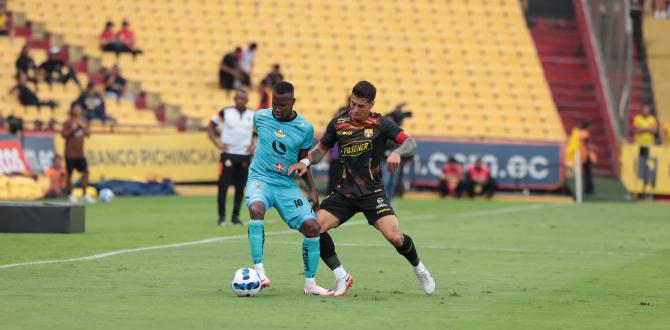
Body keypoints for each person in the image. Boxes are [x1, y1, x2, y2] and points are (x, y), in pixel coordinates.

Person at [289, 81, 435, 296]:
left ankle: (420, 270)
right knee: (313, 228)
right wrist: (306, 162)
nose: (355, 109)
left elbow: (410, 142)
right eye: (353, 103)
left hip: (372, 193)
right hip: (344, 194)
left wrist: (397, 152)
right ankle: (341, 276)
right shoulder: (338, 123)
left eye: (360, 106)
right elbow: (321, 149)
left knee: (395, 237)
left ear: (371, 105)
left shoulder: (381, 124)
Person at [244, 81, 333, 295]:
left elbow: (303, 162)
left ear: (292, 102)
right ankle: (259, 272)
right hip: (261, 179)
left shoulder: (305, 128)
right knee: (256, 209)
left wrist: (312, 189)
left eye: (283, 105)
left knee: (313, 227)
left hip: (285, 185)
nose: (277, 108)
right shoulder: (260, 117)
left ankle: (310, 284)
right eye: (275, 103)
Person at [207, 89, 255, 225]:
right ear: (234, 99)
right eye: (238, 98)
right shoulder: (225, 112)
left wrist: (255, 146)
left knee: (240, 188)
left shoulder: (253, 114)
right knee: (223, 186)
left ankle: (235, 217)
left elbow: (263, 131)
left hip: (244, 155)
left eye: (243, 98)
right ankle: (221, 217)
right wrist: (216, 143)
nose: (240, 100)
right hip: (228, 154)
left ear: (247, 100)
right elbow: (211, 125)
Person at [61, 103, 94, 203]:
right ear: (72, 110)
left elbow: (88, 134)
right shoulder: (68, 122)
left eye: (79, 108)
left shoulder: (83, 122)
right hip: (70, 153)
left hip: (80, 154)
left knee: (86, 172)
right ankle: (70, 194)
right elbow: (63, 134)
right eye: (76, 108)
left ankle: (85, 194)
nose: (78, 110)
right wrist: (73, 129)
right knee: (69, 174)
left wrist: (83, 127)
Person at [633, 105, 658, 196]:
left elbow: (654, 131)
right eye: (644, 110)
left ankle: (647, 189)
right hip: (639, 146)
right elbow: (637, 130)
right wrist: (648, 128)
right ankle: (637, 189)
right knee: (639, 167)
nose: (646, 112)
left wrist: (643, 129)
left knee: (648, 167)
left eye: (647, 110)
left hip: (650, 147)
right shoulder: (638, 118)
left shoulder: (652, 119)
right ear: (642, 110)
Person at [578, 121, 597, 195]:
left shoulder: (578, 132)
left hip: (580, 155)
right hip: (586, 156)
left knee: (584, 174)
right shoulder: (585, 133)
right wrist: (593, 147)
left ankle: (586, 190)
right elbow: (587, 144)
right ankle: (589, 190)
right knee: (588, 174)